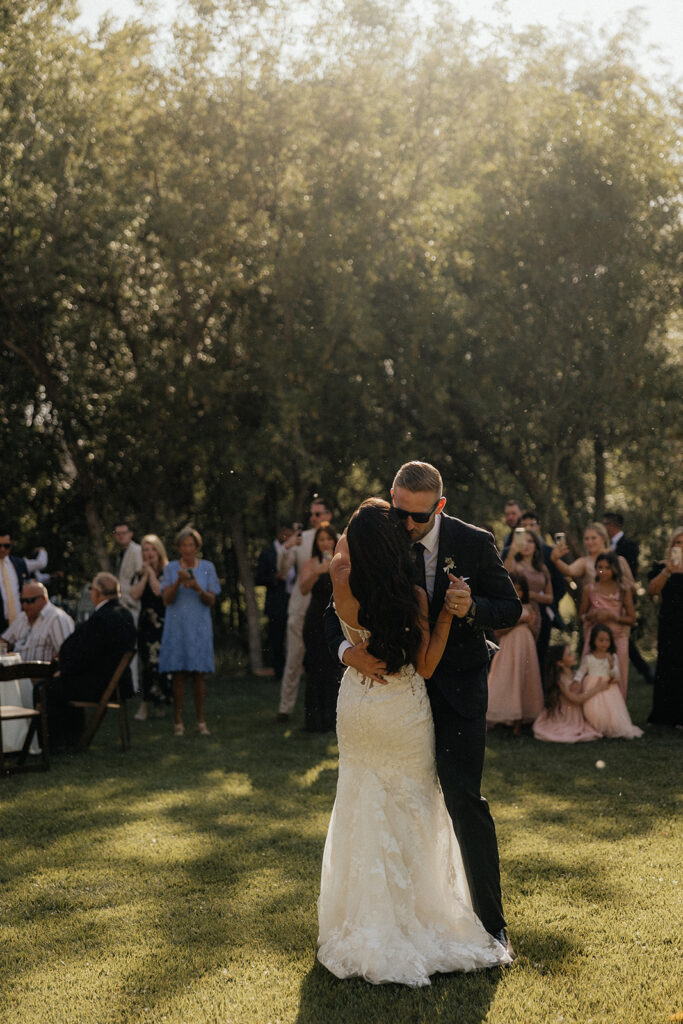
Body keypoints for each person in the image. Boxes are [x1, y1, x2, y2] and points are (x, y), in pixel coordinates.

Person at [324, 462, 521, 957]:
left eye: (418, 517)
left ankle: (491, 922)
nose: (407, 526)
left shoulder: (473, 541)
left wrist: (469, 608)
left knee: (461, 800)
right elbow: (336, 613)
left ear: (439, 506)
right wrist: (350, 653)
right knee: (395, 803)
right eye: (400, 513)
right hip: (394, 698)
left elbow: (510, 607)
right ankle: (403, 914)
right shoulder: (382, 534)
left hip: (453, 689)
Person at [41, 573, 136, 750]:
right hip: (116, 683)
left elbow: (84, 653)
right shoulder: (124, 614)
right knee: (61, 683)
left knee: (48, 687)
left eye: (91, 588)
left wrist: (64, 670)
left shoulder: (102, 618)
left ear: (97, 593)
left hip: (100, 685)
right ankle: (72, 737)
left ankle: (56, 743)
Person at [159, 526, 221, 737]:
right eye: (184, 545)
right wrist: (178, 580)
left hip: (199, 626)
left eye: (191, 544)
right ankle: (178, 723)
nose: (188, 548)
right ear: (178, 547)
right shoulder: (169, 569)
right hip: (177, 627)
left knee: (199, 675)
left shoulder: (208, 567)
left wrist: (197, 587)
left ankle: (201, 722)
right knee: (177, 675)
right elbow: (166, 600)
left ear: (197, 546)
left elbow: (211, 599)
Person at [276, 497, 333, 722]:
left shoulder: (337, 540)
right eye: (312, 514)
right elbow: (282, 571)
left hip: (328, 609)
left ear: (328, 515)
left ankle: (329, 709)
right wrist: (285, 548)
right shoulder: (301, 539)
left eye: (318, 514)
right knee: (294, 659)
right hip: (301, 607)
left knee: (328, 662)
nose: (313, 518)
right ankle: (285, 708)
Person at [486, 574, 543, 733]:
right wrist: (519, 621)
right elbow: (498, 632)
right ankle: (500, 716)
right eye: (514, 588)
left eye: (520, 589)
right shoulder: (505, 607)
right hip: (509, 646)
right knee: (506, 678)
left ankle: (519, 721)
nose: (517, 592)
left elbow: (534, 631)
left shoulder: (529, 607)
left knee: (523, 678)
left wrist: (530, 624)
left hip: (526, 646)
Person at [603, 511, 654, 685]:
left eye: (605, 524)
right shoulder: (605, 545)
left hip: (622, 598)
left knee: (623, 638)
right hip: (604, 597)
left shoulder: (629, 546)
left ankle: (643, 670)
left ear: (612, 525)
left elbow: (630, 575)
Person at [300, 522, 342, 732]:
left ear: (335, 540)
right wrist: (317, 571)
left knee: (333, 668)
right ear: (317, 543)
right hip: (315, 619)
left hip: (335, 618)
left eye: (328, 538)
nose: (325, 543)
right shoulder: (311, 563)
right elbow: (302, 589)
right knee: (315, 668)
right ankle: (313, 721)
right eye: (321, 539)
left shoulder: (341, 560)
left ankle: (332, 720)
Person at [579, 551, 635, 697]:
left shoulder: (623, 589)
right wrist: (590, 616)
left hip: (617, 638)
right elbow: (581, 616)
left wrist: (611, 616)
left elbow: (632, 619)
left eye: (607, 567)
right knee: (591, 675)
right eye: (599, 567)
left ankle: (616, 710)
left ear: (615, 569)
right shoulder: (589, 589)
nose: (602, 571)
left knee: (618, 676)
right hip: (595, 639)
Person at [129, 534, 172, 721]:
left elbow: (159, 591)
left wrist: (152, 574)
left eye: (152, 549)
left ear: (159, 550)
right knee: (147, 664)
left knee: (160, 664)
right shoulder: (140, 573)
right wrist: (146, 574)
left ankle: (158, 701)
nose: (149, 553)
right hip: (145, 624)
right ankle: (147, 703)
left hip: (163, 624)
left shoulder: (168, 571)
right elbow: (134, 595)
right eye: (146, 550)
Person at [576, 625, 643, 739]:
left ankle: (609, 727)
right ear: (594, 641)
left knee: (610, 709)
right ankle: (596, 725)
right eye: (601, 640)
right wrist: (576, 680)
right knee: (593, 707)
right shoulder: (589, 657)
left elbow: (616, 675)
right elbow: (581, 671)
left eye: (607, 640)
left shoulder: (612, 656)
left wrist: (611, 664)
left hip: (608, 687)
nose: (604, 643)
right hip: (593, 686)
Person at [647, 526, 683, 729]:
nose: (681, 546)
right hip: (669, 623)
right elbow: (653, 590)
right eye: (677, 542)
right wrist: (668, 570)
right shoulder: (661, 566)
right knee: (667, 667)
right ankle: (663, 716)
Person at [503, 527, 553, 671]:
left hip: (536, 613)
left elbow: (550, 597)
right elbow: (501, 578)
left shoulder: (542, 568)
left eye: (530, 541)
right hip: (517, 612)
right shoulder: (513, 564)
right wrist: (512, 551)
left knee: (535, 655)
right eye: (523, 541)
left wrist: (532, 595)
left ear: (536, 545)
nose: (526, 544)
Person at [532, 644, 604, 743]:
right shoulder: (560, 680)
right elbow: (576, 699)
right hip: (566, 715)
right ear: (561, 663)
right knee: (567, 730)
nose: (574, 655)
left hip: (576, 713)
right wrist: (598, 689)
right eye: (570, 654)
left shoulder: (576, 674)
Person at [254, 523, 294, 682]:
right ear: (279, 533)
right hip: (276, 603)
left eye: (289, 535)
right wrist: (275, 578)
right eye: (284, 534)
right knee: (277, 640)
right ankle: (279, 674)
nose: (286, 537)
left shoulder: (296, 550)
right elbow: (258, 578)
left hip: (294, 599)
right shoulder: (268, 552)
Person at [1, 581, 74, 662]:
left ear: (43, 599)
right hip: (17, 671)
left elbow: (67, 653)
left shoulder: (57, 618)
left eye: (30, 601)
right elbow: (4, 642)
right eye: (22, 601)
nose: (25, 605)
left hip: (42, 673)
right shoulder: (22, 617)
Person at [0, 529, 48, 632]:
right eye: (0, 546)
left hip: (20, 623)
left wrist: (42, 551)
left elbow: (41, 563)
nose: (3, 549)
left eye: (6, 546)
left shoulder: (19, 564)